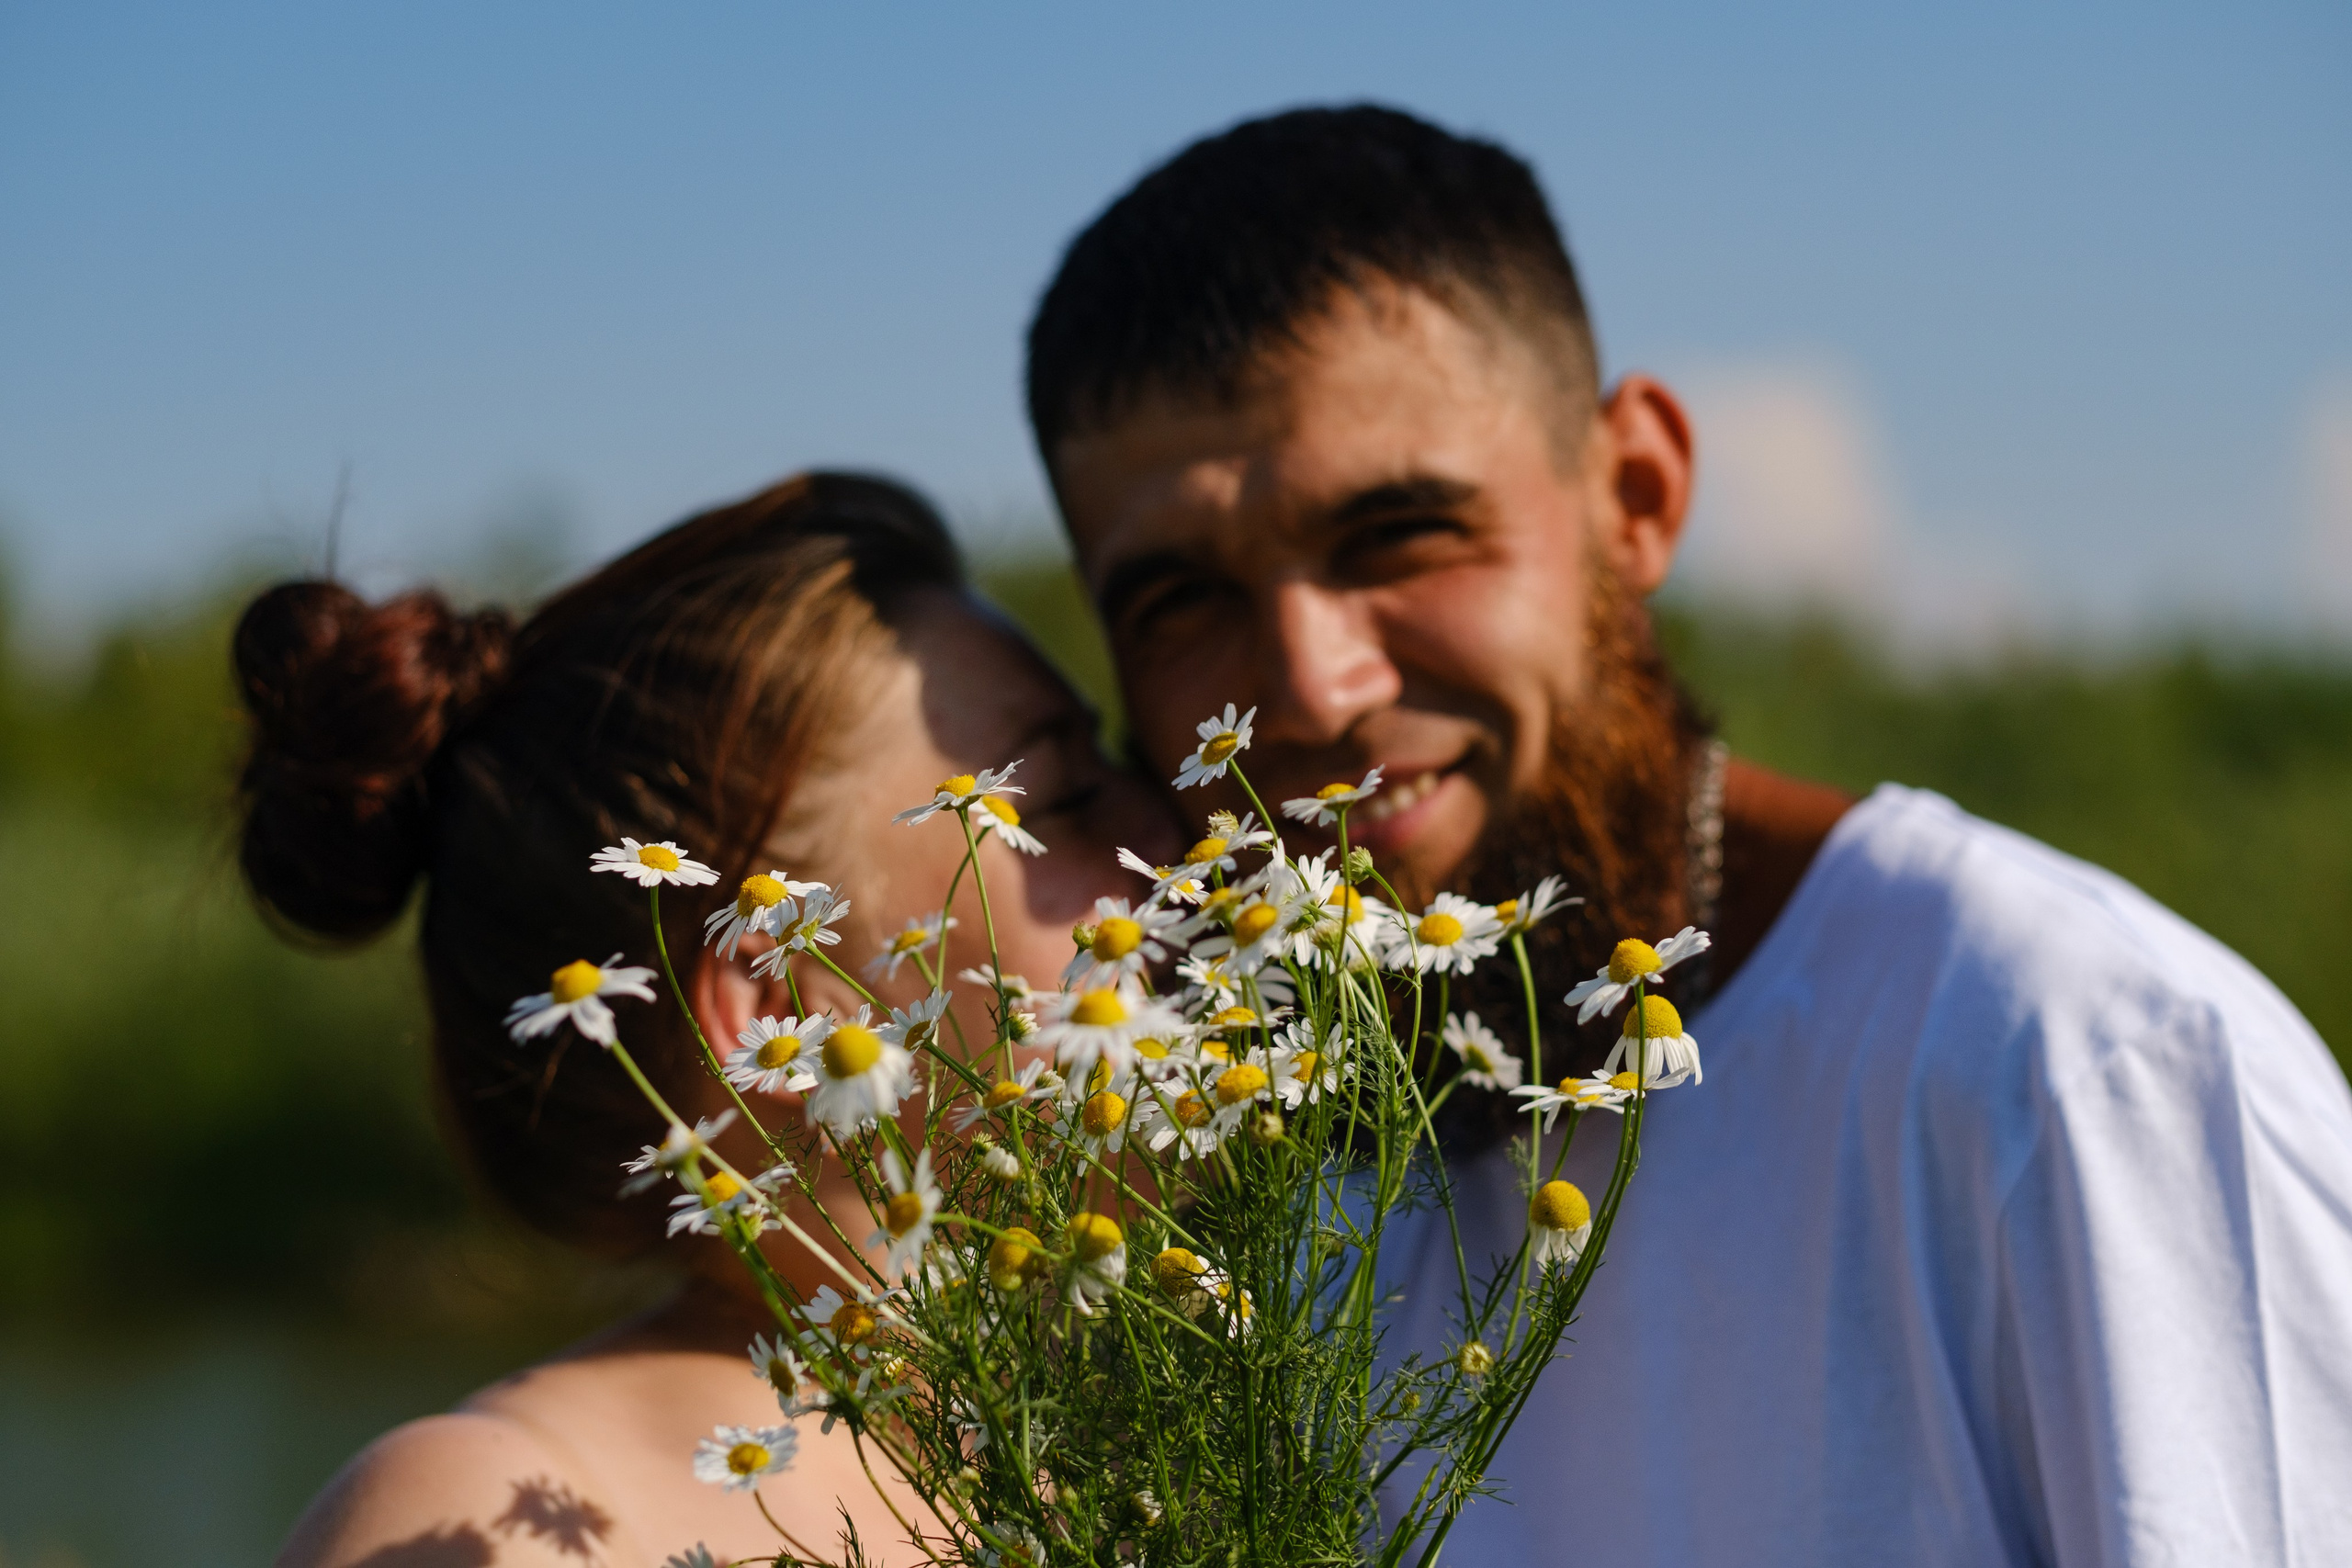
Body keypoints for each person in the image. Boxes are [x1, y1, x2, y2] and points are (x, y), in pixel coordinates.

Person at [1024, 105, 2352, 1563]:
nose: (1312, 688)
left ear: (1636, 493)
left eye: (1402, 531)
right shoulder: (1263, 1206)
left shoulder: (2066, 1066)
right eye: (1179, 600)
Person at [253, 473, 1177, 1568]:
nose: (1168, 841)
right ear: (777, 999)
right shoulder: (489, 1516)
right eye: (1069, 800)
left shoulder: (1147, 1458)